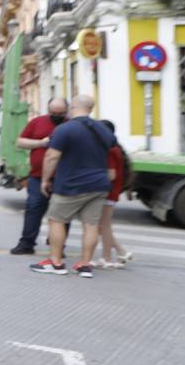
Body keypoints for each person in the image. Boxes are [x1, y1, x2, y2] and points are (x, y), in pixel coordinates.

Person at [29, 94, 115, 279]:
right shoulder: (102, 129)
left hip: (71, 184)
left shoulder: (65, 129)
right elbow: (111, 148)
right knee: (91, 225)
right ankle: (85, 265)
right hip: (99, 184)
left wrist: (45, 180)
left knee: (56, 220)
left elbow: (51, 156)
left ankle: (56, 262)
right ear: (90, 108)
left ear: (73, 106)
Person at [10, 97, 69, 255]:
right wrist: (41, 143)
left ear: (66, 112)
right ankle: (26, 243)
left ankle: (58, 246)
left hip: (63, 177)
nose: (56, 115)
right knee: (33, 209)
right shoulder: (37, 122)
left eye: (60, 113)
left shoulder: (71, 124)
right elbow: (20, 142)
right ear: (48, 110)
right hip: (37, 176)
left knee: (62, 214)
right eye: (53, 112)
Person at [93, 119, 134, 269]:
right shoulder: (115, 147)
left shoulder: (109, 150)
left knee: (103, 227)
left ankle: (107, 258)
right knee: (102, 226)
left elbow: (111, 175)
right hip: (111, 192)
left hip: (107, 192)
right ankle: (121, 252)